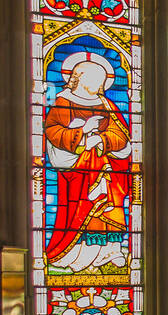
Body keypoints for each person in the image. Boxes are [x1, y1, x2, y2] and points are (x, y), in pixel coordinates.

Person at [43, 52, 131, 273]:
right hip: (78, 170)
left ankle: (110, 252)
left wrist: (101, 139)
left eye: (101, 80)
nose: (98, 84)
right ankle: (77, 255)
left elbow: (121, 135)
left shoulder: (106, 104)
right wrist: (82, 132)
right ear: (78, 77)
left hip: (106, 166)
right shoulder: (63, 101)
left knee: (110, 207)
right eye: (93, 79)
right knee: (79, 209)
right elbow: (53, 132)